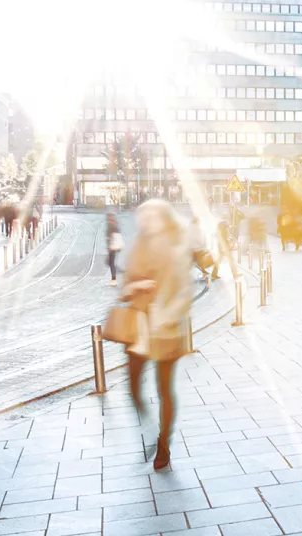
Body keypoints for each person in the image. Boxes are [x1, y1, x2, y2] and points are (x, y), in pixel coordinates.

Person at [122, 199, 193, 470]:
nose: (146, 220)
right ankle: (151, 431)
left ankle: (164, 444)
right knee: (133, 389)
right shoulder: (139, 244)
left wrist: (165, 317)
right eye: (143, 215)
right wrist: (135, 285)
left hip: (166, 329)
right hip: (138, 328)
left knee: (164, 389)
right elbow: (126, 285)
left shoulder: (177, 247)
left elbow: (184, 293)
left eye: (153, 215)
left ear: (165, 218)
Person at [106, 212, 123, 286]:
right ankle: (118, 274)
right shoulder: (112, 225)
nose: (107, 220)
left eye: (108, 218)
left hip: (112, 247)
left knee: (110, 263)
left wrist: (111, 244)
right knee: (110, 262)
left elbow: (115, 237)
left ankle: (114, 279)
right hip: (112, 247)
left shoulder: (113, 226)